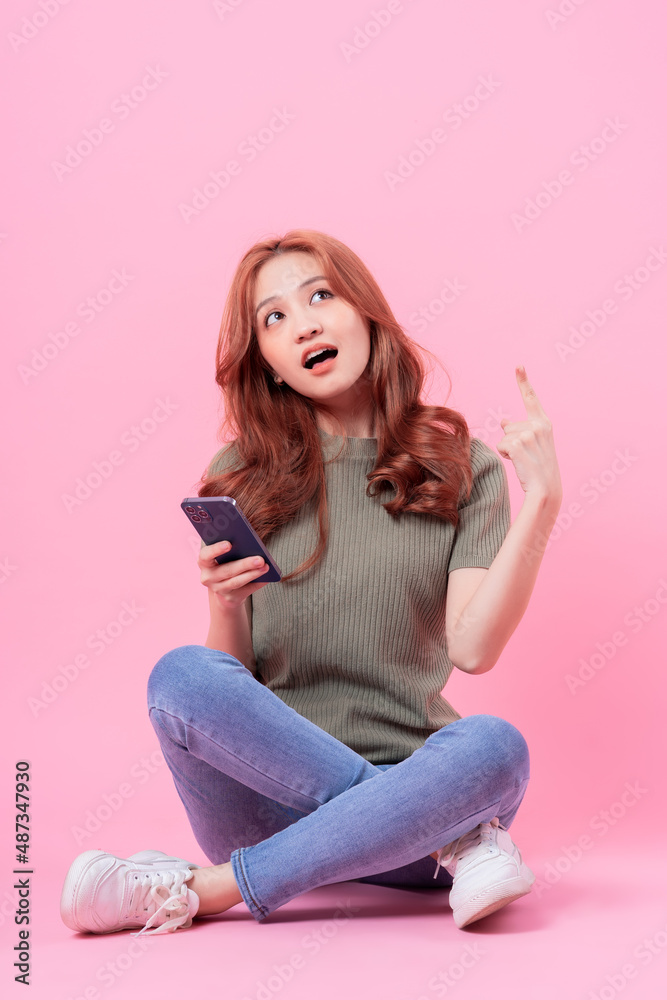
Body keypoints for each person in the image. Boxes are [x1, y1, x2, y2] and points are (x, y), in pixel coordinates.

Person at [60, 229, 563, 937]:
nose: (305, 323)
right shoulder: (243, 473)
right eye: (274, 317)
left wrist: (541, 501)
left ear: (364, 313)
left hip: (418, 795)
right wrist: (225, 602)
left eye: (320, 295)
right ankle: (456, 838)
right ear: (265, 362)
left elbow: (473, 649)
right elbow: (222, 700)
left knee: (494, 746)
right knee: (181, 674)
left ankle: (200, 891)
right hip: (280, 809)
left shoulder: (461, 466)